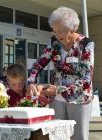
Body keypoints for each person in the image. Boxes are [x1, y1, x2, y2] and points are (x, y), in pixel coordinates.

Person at [27, 6, 94, 140]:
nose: (57, 35)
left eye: (61, 31)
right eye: (54, 30)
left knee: (78, 137)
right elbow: (39, 63)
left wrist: (58, 89)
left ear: (73, 28)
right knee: (56, 136)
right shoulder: (54, 42)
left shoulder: (86, 45)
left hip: (79, 99)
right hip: (57, 99)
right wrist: (31, 82)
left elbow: (86, 81)